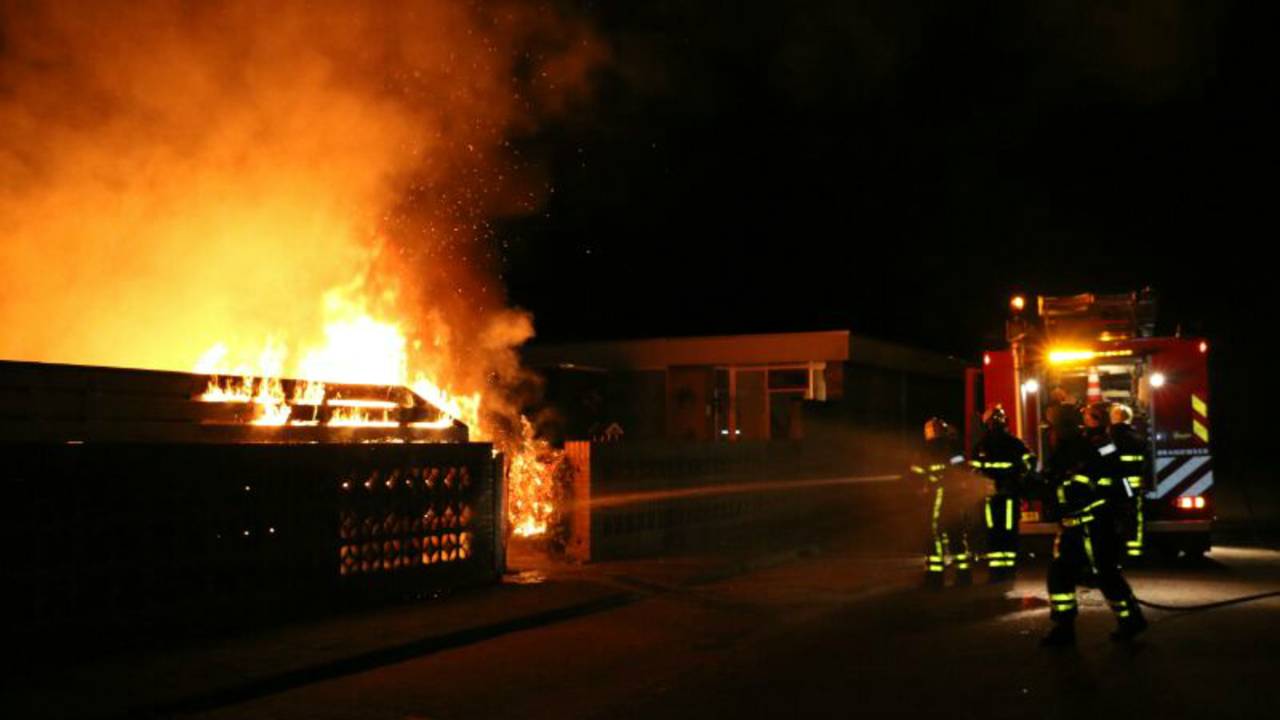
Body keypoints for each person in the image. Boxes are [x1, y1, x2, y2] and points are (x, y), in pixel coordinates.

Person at [1041, 402, 1147, 646]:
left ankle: (1131, 620)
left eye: (1054, 427)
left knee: (1105, 574)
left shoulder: (1093, 446)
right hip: (1076, 525)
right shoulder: (1066, 448)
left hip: (1094, 523)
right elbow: (1055, 481)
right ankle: (1064, 628)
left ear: (1064, 425)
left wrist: (1068, 487)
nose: (1052, 432)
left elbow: (1106, 478)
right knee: (1060, 574)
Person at [970, 405, 1034, 581]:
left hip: (993, 497)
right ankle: (1007, 572)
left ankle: (997, 573)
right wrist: (1019, 478)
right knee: (1008, 533)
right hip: (1007, 496)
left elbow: (974, 471)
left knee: (994, 534)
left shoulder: (982, 446)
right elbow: (1029, 462)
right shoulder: (1015, 443)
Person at [910, 418, 973, 588]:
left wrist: (923, 485)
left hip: (935, 500)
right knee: (956, 536)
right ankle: (964, 576)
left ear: (928, 432)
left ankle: (935, 578)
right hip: (955, 501)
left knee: (934, 535)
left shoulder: (925, 451)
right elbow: (962, 469)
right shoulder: (953, 448)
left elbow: (916, 473)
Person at [1110, 403, 1148, 560]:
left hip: (1114, 485)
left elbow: (1103, 457)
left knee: (1111, 517)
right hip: (1133, 485)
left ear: (1116, 417)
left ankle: (1113, 550)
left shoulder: (1110, 438)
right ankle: (1134, 551)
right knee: (1134, 519)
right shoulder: (1138, 438)